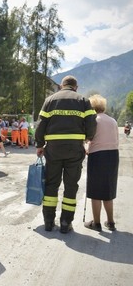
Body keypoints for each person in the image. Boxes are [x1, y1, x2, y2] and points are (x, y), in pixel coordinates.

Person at [35, 75, 97, 233]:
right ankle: (65, 223)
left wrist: (39, 144)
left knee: (51, 184)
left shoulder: (50, 100)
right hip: (74, 149)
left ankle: (48, 222)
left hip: (53, 149)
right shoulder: (83, 100)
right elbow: (91, 122)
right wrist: (88, 138)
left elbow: (41, 124)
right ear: (76, 87)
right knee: (70, 186)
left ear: (62, 86)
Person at [84, 94, 119, 232]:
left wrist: (85, 147)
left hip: (98, 156)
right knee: (108, 189)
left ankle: (96, 223)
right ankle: (111, 222)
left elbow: (89, 141)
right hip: (113, 156)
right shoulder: (113, 121)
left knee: (95, 191)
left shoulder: (94, 120)